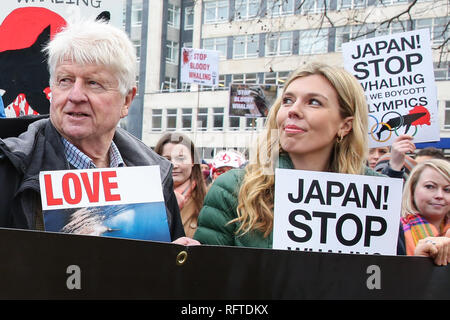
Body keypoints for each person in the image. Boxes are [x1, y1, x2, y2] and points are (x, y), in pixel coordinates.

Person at [0, 19, 196, 245]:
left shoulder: (155, 174)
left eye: (93, 83)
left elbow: (165, 269)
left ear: (127, 100)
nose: (75, 96)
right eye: (65, 80)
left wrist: (179, 262)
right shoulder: (9, 169)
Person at [194, 62, 384, 248]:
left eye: (314, 102)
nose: (293, 110)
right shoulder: (233, 189)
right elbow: (208, 274)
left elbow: (382, 276)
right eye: (287, 100)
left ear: (345, 125)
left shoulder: (374, 193)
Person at [154, 132, 207, 238]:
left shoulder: (208, 200)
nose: (174, 165)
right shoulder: (147, 202)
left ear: (193, 161)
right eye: (166, 159)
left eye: (181, 158)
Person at [400, 159, 450, 266]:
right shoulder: (395, 232)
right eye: (430, 186)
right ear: (412, 189)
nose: (439, 195)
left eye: (447, 190)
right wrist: (419, 261)